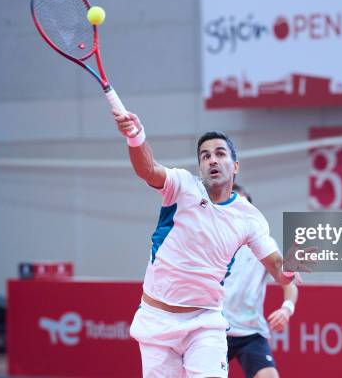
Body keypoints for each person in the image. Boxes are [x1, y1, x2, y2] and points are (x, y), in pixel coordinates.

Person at [112, 110, 298, 378]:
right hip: (156, 321)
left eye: (221, 154)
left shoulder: (249, 218)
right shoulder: (182, 186)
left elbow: (279, 269)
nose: (212, 159)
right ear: (200, 166)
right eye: (206, 155)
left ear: (235, 166)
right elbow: (148, 169)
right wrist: (135, 136)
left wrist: (293, 266)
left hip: (204, 323)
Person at [225, 185, 298, 378]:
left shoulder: (264, 245)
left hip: (250, 333)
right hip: (213, 330)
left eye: (245, 206)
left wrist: (286, 309)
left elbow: (288, 284)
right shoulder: (212, 242)